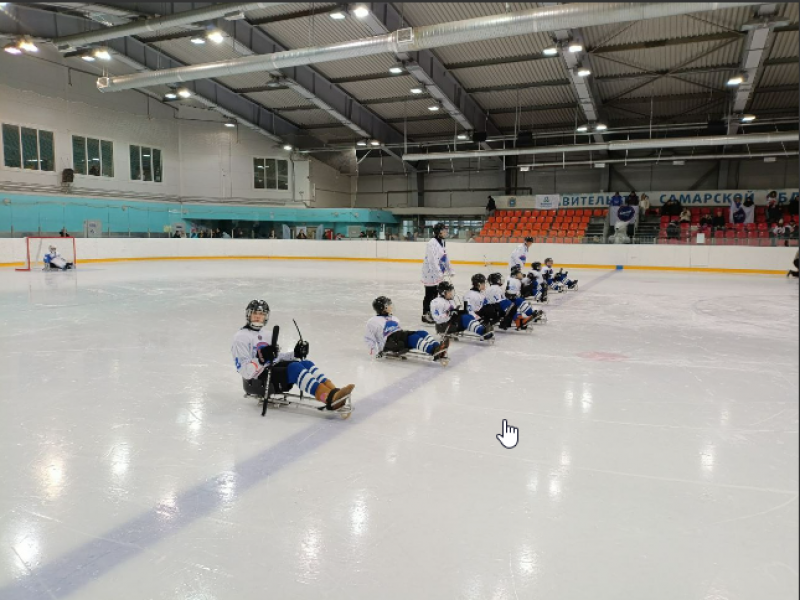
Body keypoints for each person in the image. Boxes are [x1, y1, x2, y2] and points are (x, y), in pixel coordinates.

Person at [233, 300, 354, 410]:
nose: (258, 317)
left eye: (262, 314)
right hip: (257, 380)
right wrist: (260, 359)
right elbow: (245, 372)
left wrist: (294, 354)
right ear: (249, 315)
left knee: (305, 364)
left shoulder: (267, 334)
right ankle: (328, 398)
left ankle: (334, 392)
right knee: (294, 369)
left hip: (270, 371)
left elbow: (276, 357)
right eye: (255, 313)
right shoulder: (241, 337)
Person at [365, 296, 448, 360]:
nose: (391, 307)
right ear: (382, 308)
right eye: (388, 305)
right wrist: (376, 352)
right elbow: (369, 339)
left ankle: (438, 347)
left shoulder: (394, 318)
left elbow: (399, 331)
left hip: (398, 338)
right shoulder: (373, 321)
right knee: (414, 338)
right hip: (388, 343)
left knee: (422, 332)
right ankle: (433, 351)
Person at [421, 222, 453, 324]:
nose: (446, 232)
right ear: (439, 232)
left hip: (438, 272)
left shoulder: (442, 242)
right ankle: (426, 314)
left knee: (436, 293)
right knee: (430, 293)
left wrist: (450, 269)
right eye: (444, 230)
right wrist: (438, 272)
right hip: (430, 273)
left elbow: (445, 257)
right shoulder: (432, 243)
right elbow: (432, 260)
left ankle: (434, 312)